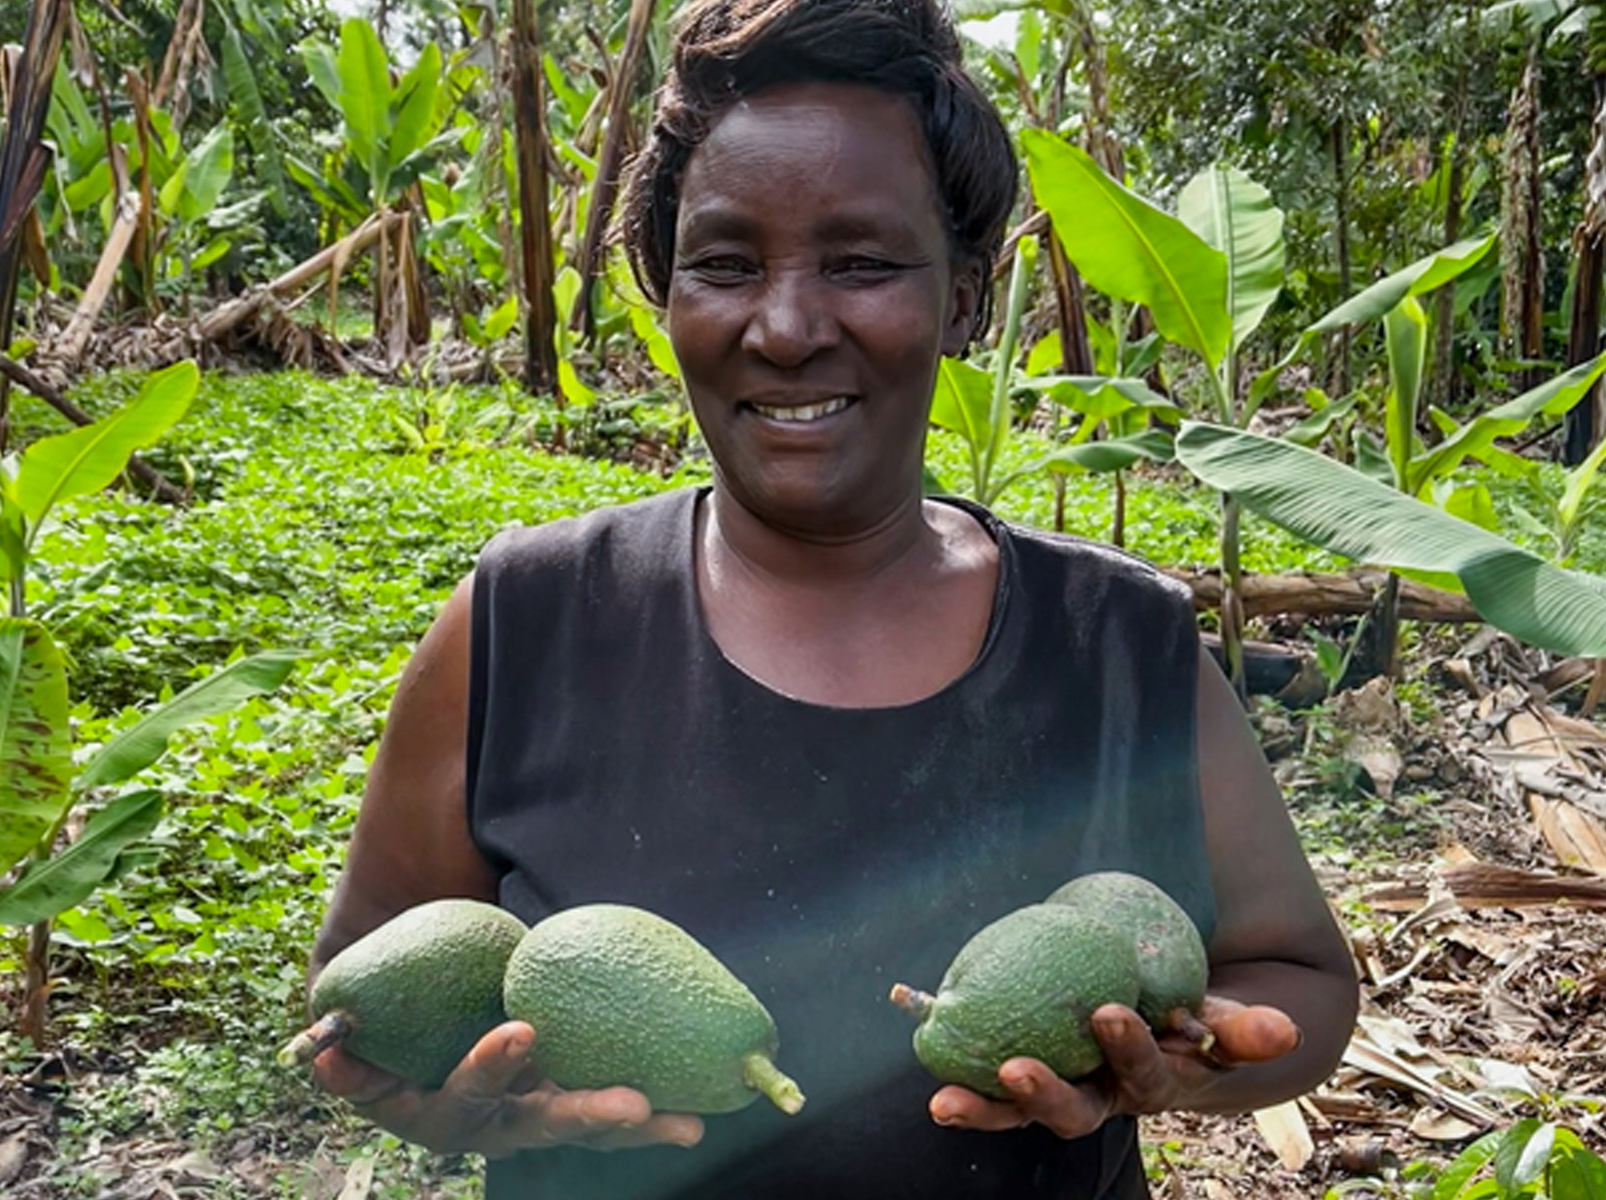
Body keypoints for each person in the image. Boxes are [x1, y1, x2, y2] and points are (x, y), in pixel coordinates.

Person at [306, 0, 1359, 1196]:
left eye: (860, 262)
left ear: (964, 295)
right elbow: (366, 987)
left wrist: (1187, 1065)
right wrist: (457, 1109)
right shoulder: (525, 619)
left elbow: (1301, 983)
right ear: (668, 293)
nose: (789, 325)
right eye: (724, 263)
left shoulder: (1118, 642)